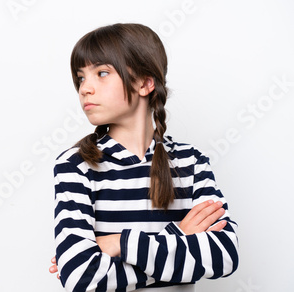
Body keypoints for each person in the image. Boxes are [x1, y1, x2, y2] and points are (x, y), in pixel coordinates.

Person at [49, 23, 239, 292]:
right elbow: (81, 275)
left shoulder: (191, 162)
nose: (84, 89)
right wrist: (178, 237)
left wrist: (118, 243)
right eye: (81, 77)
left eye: (101, 73)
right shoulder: (75, 165)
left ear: (145, 83)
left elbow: (224, 255)